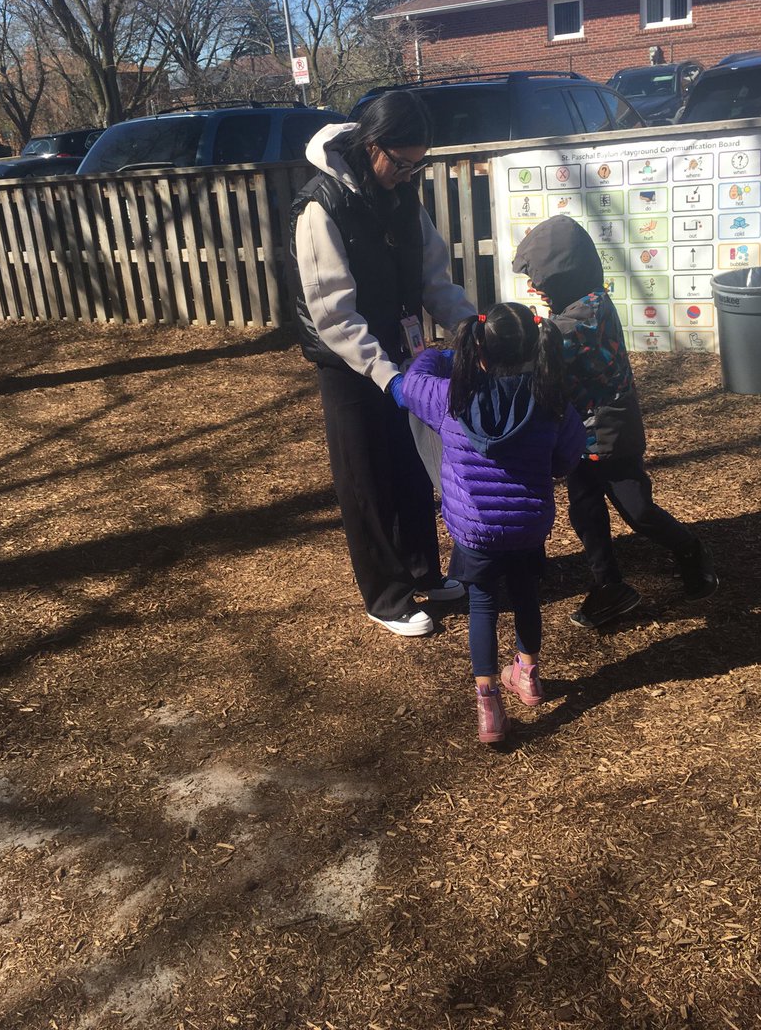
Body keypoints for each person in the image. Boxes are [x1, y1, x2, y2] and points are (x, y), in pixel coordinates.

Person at [289, 91, 476, 637]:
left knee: (412, 465)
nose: (409, 172)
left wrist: (469, 331)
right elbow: (332, 311)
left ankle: (422, 569)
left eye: (419, 163)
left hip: (400, 351)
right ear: (372, 145)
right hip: (346, 363)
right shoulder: (321, 206)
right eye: (401, 162)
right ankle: (386, 594)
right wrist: (385, 376)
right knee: (365, 476)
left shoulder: (402, 195)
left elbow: (434, 279)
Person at [512, 215, 719, 630]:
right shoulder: (579, 303)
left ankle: (690, 549)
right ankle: (609, 585)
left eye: (540, 280)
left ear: (566, 275)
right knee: (585, 510)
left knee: (637, 510)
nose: (535, 288)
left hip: (610, 434)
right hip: (578, 434)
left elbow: (535, 353)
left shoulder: (581, 319)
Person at [402, 303, 586, 743]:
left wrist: (436, 354)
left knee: (482, 605)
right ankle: (528, 675)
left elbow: (410, 384)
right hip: (527, 525)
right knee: (526, 595)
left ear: (477, 351)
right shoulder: (553, 403)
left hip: (475, 528)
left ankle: (489, 707)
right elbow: (566, 458)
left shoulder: (451, 397)